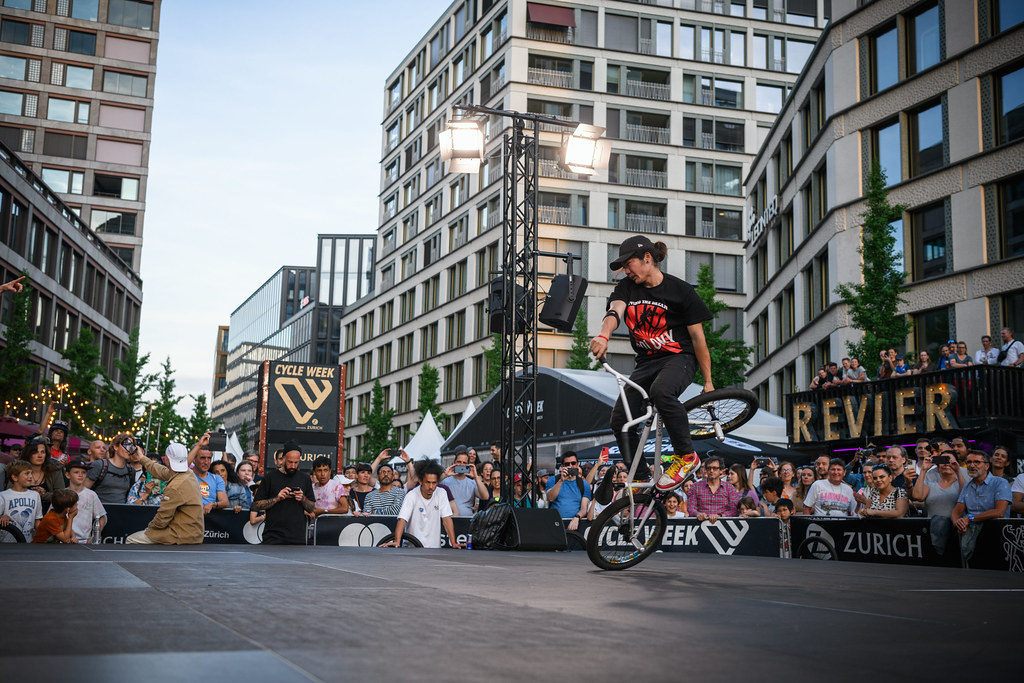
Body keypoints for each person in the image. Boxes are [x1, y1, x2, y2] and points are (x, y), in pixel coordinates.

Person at [589, 236, 713, 492]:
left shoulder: (681, 291)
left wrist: (708, 382)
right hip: (646, 363)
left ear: (647, 258)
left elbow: (698, 339)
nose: (626, 271)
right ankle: (640, 477)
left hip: (679, 358)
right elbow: (614, 312)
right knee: (620, 418)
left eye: (628, 264)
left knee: (661, 391)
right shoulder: (626, 287)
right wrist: (604, 335)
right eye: (623, 267)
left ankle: (686, 456)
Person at [126, 441, 205, 545]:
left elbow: (162, 519)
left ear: (167, 459)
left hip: (181, 535)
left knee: (131, 539)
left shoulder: (174, 487)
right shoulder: (189, 474)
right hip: (194, 533)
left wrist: (149, 528)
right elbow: (160, 471)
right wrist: (141, 458)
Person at [951, 451, 1011, 565]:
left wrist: (970, 518)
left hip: (996, 536)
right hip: (972, 536)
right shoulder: (967, 486)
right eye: (969, 462)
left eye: (977, 462)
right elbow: (955, 513)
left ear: (987, 466)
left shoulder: (1000, 483)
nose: (971, 465)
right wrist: (958, 523)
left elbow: (999, 512)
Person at [251, 442, 315, 545]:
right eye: (290, 462)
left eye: (296, 462)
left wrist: (302, 498)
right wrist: (277, 498)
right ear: (284, 458)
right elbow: (256, 505)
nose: (293, 466)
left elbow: (311, 508)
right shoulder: (270, 477)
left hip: (297, 537)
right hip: (273, 536)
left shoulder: (305, 478)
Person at [387, 461, 463, 549]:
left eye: (434, 483)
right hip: (412, 549)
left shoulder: (442, 493)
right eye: (427, 482)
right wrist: (397, 541)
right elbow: (402, 519)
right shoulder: (411, 495)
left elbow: (447, 520)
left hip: (434, 548)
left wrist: (453, 543)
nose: (431, 486)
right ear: (420, 481)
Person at [912, 449, 964, 555]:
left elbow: (967, 497)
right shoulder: (931, 484)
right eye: (943, 460)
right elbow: (917, 496)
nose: (946, 464)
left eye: (950, 461)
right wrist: (923, 470)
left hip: (956, 531)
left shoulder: (961, 483)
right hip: (933, 533)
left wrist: (958, 471)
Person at [86, 433, 137, 505]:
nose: (129, 449)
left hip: (122, 510)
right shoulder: (99, 465)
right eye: (126, 444)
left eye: (131, 446)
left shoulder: (131, 470)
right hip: (99, 510)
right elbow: (83, 491)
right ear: (115, 447)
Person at [546, 452, 591, 531]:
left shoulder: (584, 484)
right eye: (567, 464)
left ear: (577, 464)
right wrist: (561, 480)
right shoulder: (553, 480)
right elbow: (550, 498)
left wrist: (577, 517)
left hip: (574, 524)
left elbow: (584, 509)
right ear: (562, 466)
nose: (570, 466)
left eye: (573, 463)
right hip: (555, 523)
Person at [686, 456, 740, 522]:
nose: (711, 471)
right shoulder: (695, 487)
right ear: (706, 470)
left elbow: (733, 510)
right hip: (700, 523)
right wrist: (697, 514)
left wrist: (720, 516)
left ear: (721, 470)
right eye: (709, 468)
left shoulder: (729, 488)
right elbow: (690, 508)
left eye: (715, 468)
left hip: (724, 524)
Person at [65, 459, 106, 543]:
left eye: (83, 472)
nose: (80, 475)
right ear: (68, 475)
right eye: (76, 472)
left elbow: (102, 517)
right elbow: (52, 518)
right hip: (64, 541)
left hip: (85, 541)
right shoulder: (61, 495)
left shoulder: (92, 495)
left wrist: (94, 536)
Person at [0, 460, 42, 540]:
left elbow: (37, 520)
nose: (31, 476)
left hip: (28, 543)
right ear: (15, 477)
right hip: (7, 543)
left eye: (31, 473)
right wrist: (2, 517)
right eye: (27, 473)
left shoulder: (35, 495)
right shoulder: (3, 496)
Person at [20, 435, 66, 508]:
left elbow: (62, 496)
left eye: (43, 452)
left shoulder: (54, 470)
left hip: (49, 512)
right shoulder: (18, 470)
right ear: (28, 454)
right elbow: (10, 493)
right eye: (35, 452)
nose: (40, 455)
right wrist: (32, 494)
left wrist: (43, 495)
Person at [440, 448, 488, 516]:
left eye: (464, 463)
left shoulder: (472, 483)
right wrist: (445, 475)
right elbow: (432, 485)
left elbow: (485, 496)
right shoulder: (444, 481)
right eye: (459, 462)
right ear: (454, 463)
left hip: (466, 519)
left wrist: (476, 478)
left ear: (468, 465)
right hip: (448, 518)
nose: (461, 464)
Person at [192, 447, 229, 514]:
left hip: (209, 517)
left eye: (209, 458)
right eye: (202, 458)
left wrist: (213, 505)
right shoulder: (187, 476)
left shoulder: (217, 478)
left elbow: (225, 502)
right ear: (194, 459)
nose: (206, 462)